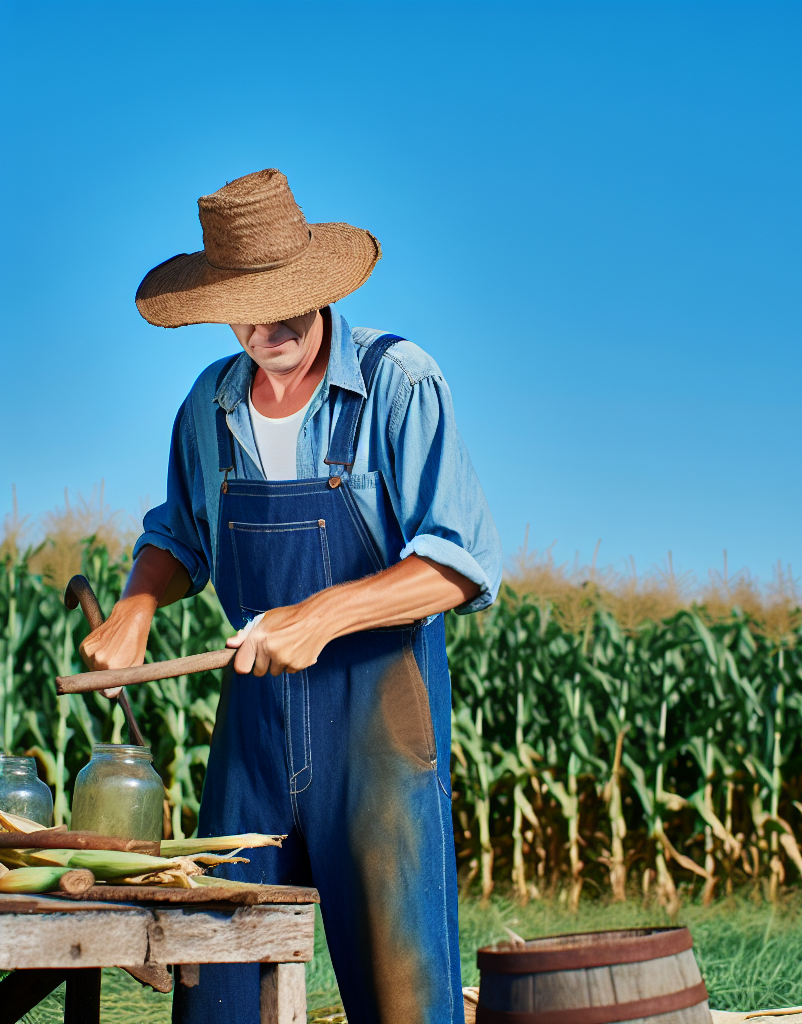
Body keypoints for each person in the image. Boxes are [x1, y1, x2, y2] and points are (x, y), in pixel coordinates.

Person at [81, 168, 501, 1024]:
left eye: (285, 304)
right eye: (244, 306)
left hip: (378, 728)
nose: (265, 327)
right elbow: (176, 537)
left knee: (405, 997)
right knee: (219, 984)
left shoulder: (398, 381)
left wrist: (322, 616)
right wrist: (137, 606)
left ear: (321, 290)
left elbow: (460, 563)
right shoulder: (210, 403)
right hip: (253, 735)